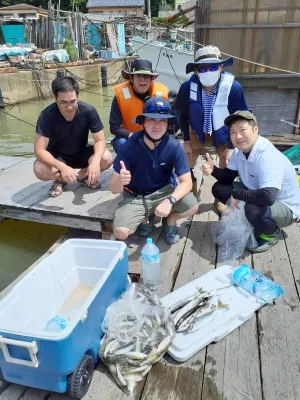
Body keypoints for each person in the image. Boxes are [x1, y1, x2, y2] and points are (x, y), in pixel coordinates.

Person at [202, 110, 300, 253]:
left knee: (252, 208)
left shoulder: (267, 156)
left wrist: (237, 194)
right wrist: (213, 170)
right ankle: (254, 221)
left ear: (255, 129)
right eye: (233, 132)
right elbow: (228, 176)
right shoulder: (238, 150)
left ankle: (270, 234)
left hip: (285, 206)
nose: (238, 136)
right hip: (258, 191)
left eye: (242, 130)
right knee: (219, 188)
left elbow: (268, 197)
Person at [110, 97, 199, 245]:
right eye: (151, 119)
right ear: (143, 122)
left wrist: (170, 200)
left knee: (192, 206)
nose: (157, 125)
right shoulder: (129, 146)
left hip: (163, 192)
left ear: (168, 124)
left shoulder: (174, 146)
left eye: (162, 120)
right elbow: (114, 189)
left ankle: (169, 221)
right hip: (135, 195)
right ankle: (146, 218)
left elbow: (186, 182)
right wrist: (121, 180)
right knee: (121, 232)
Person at [175, 45, 248, 202]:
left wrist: (231, 147)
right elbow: (182, 114)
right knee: (183, 158)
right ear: (196, 71)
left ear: (221, 67)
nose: (208, 71)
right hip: (196, 130)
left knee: (228, 162)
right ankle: (190, 192)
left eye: (213, 66)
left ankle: (221, 197)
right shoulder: (187, 87)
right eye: (202, 68)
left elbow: (242, 118)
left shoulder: (233, 88)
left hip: (223, 132)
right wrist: (186, 141)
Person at [33, 76, 113, 197]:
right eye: (63, 102)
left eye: (72, 101)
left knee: (106, 158)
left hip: (81, 152)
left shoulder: (88, 111)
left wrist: (95, 161)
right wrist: (62, 167)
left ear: (77, 96)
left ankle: (83, 175)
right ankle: (61, 179)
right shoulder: (46, 116)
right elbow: (39, 150)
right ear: (55, 98)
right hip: (57, 156)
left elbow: (100, 140)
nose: (69, 107)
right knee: (39, 169)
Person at [109, 58, 169, 154]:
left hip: (155, 137)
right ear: (132, 78)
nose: (143, 79)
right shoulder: (119, 96)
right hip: (130, 137)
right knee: (121, 143)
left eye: (146, 76)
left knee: (170, 143)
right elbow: (113, 127)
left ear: (151, 79)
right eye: (139, 75)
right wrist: (130, 135)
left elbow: (168, 122)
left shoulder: (161, 95)